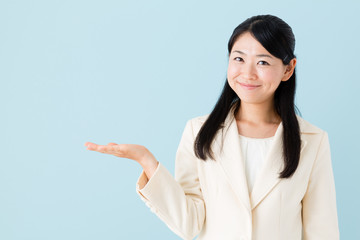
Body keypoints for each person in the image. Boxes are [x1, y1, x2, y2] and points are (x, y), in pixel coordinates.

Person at [84, 14, 339, 240]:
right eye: (239, 59)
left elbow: (322, 231)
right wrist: (147, 161)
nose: (247, 73)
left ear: (288, 69)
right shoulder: (199, 131)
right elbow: (188, 223)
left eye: (262, 62)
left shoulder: (313, 141)